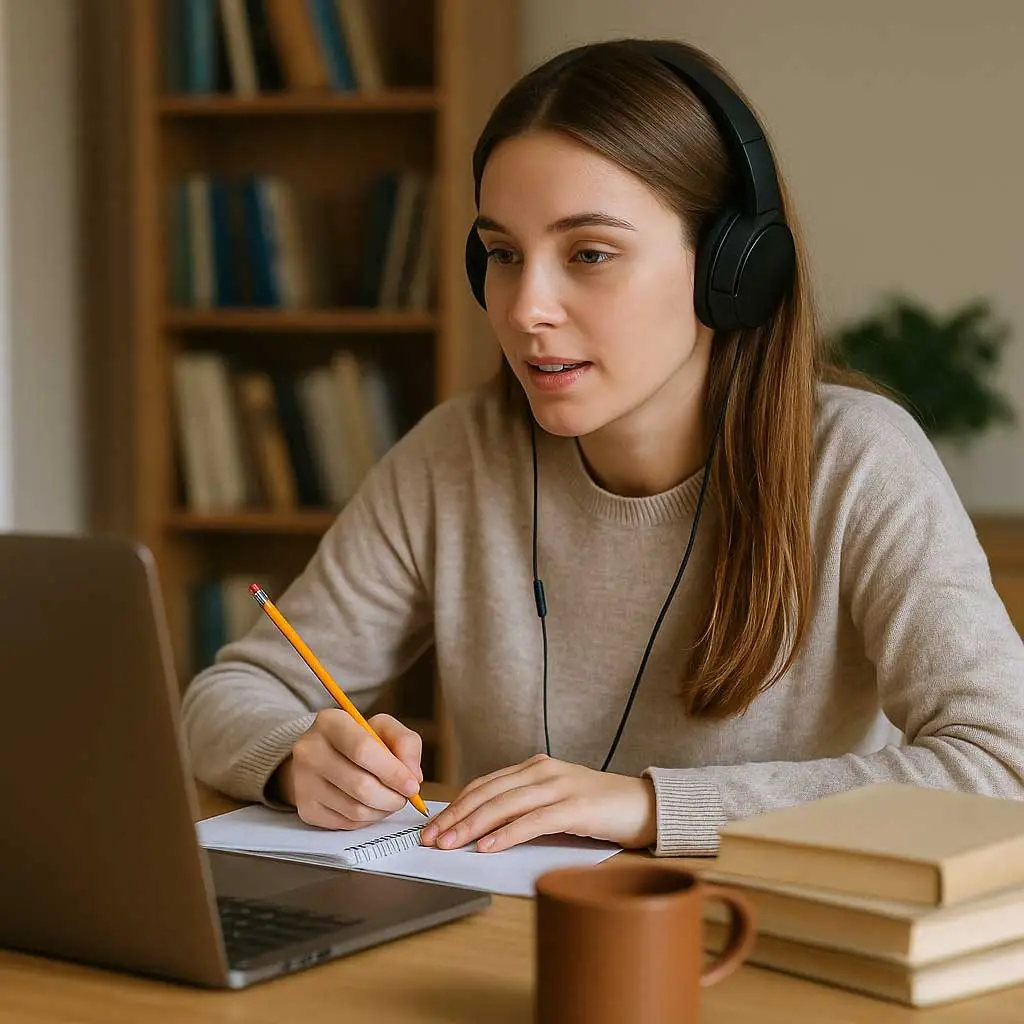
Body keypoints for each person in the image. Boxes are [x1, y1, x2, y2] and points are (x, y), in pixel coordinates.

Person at [181, 38, 1024, 858]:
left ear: (730, 268)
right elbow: (227, 696)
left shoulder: (859, 462)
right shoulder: (456, 456)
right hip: (511, 947)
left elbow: (1002, 763)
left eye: (589, 253)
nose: (525, 309)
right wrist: (297, 759)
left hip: (767, 949)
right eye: (503, 255)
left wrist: (653, 806)